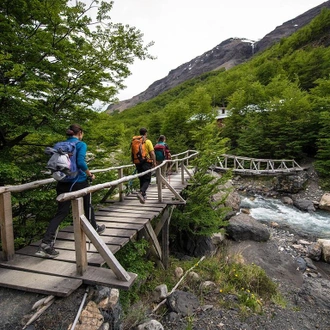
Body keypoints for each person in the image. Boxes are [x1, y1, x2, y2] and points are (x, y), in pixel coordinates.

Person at [36, 124, 105, 258]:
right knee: (87, 205)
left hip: (62, 182)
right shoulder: (80, 144)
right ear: (80, 133)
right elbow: (80, 162)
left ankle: (46, 243)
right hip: (78, 182)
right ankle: (94, 228)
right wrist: (90, 174)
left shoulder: (59, 145)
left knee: (61, 212)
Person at [135, 127, 156, 204]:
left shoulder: (136, 141)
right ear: (146, 133)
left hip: (138, 163)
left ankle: (143, 195)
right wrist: (154, 162)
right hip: (146, 162)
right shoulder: (147, 141)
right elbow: (152, 153)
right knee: (147, 179)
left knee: (141, 178)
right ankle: (141, 192)